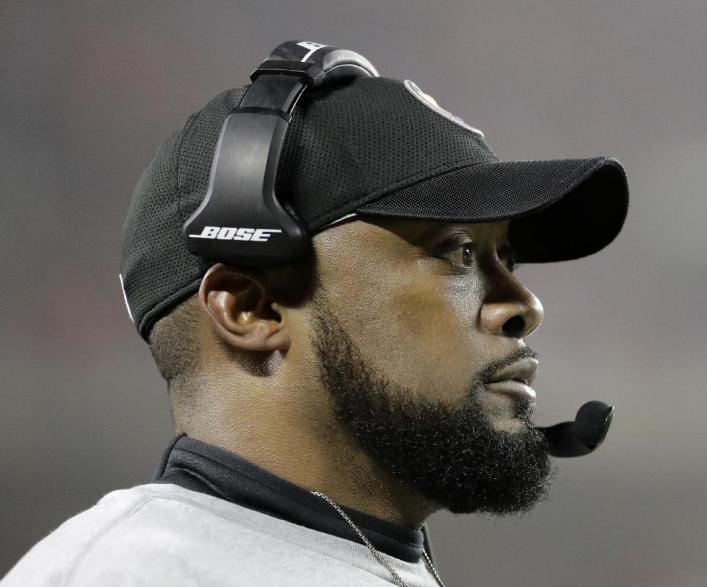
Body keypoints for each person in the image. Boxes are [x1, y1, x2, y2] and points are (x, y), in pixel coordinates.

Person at [1, 42, 628, 586]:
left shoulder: (345, 555)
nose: (525, 306)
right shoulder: (131, 576)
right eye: (458, 253)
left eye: (508, 258)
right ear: (253, 307)